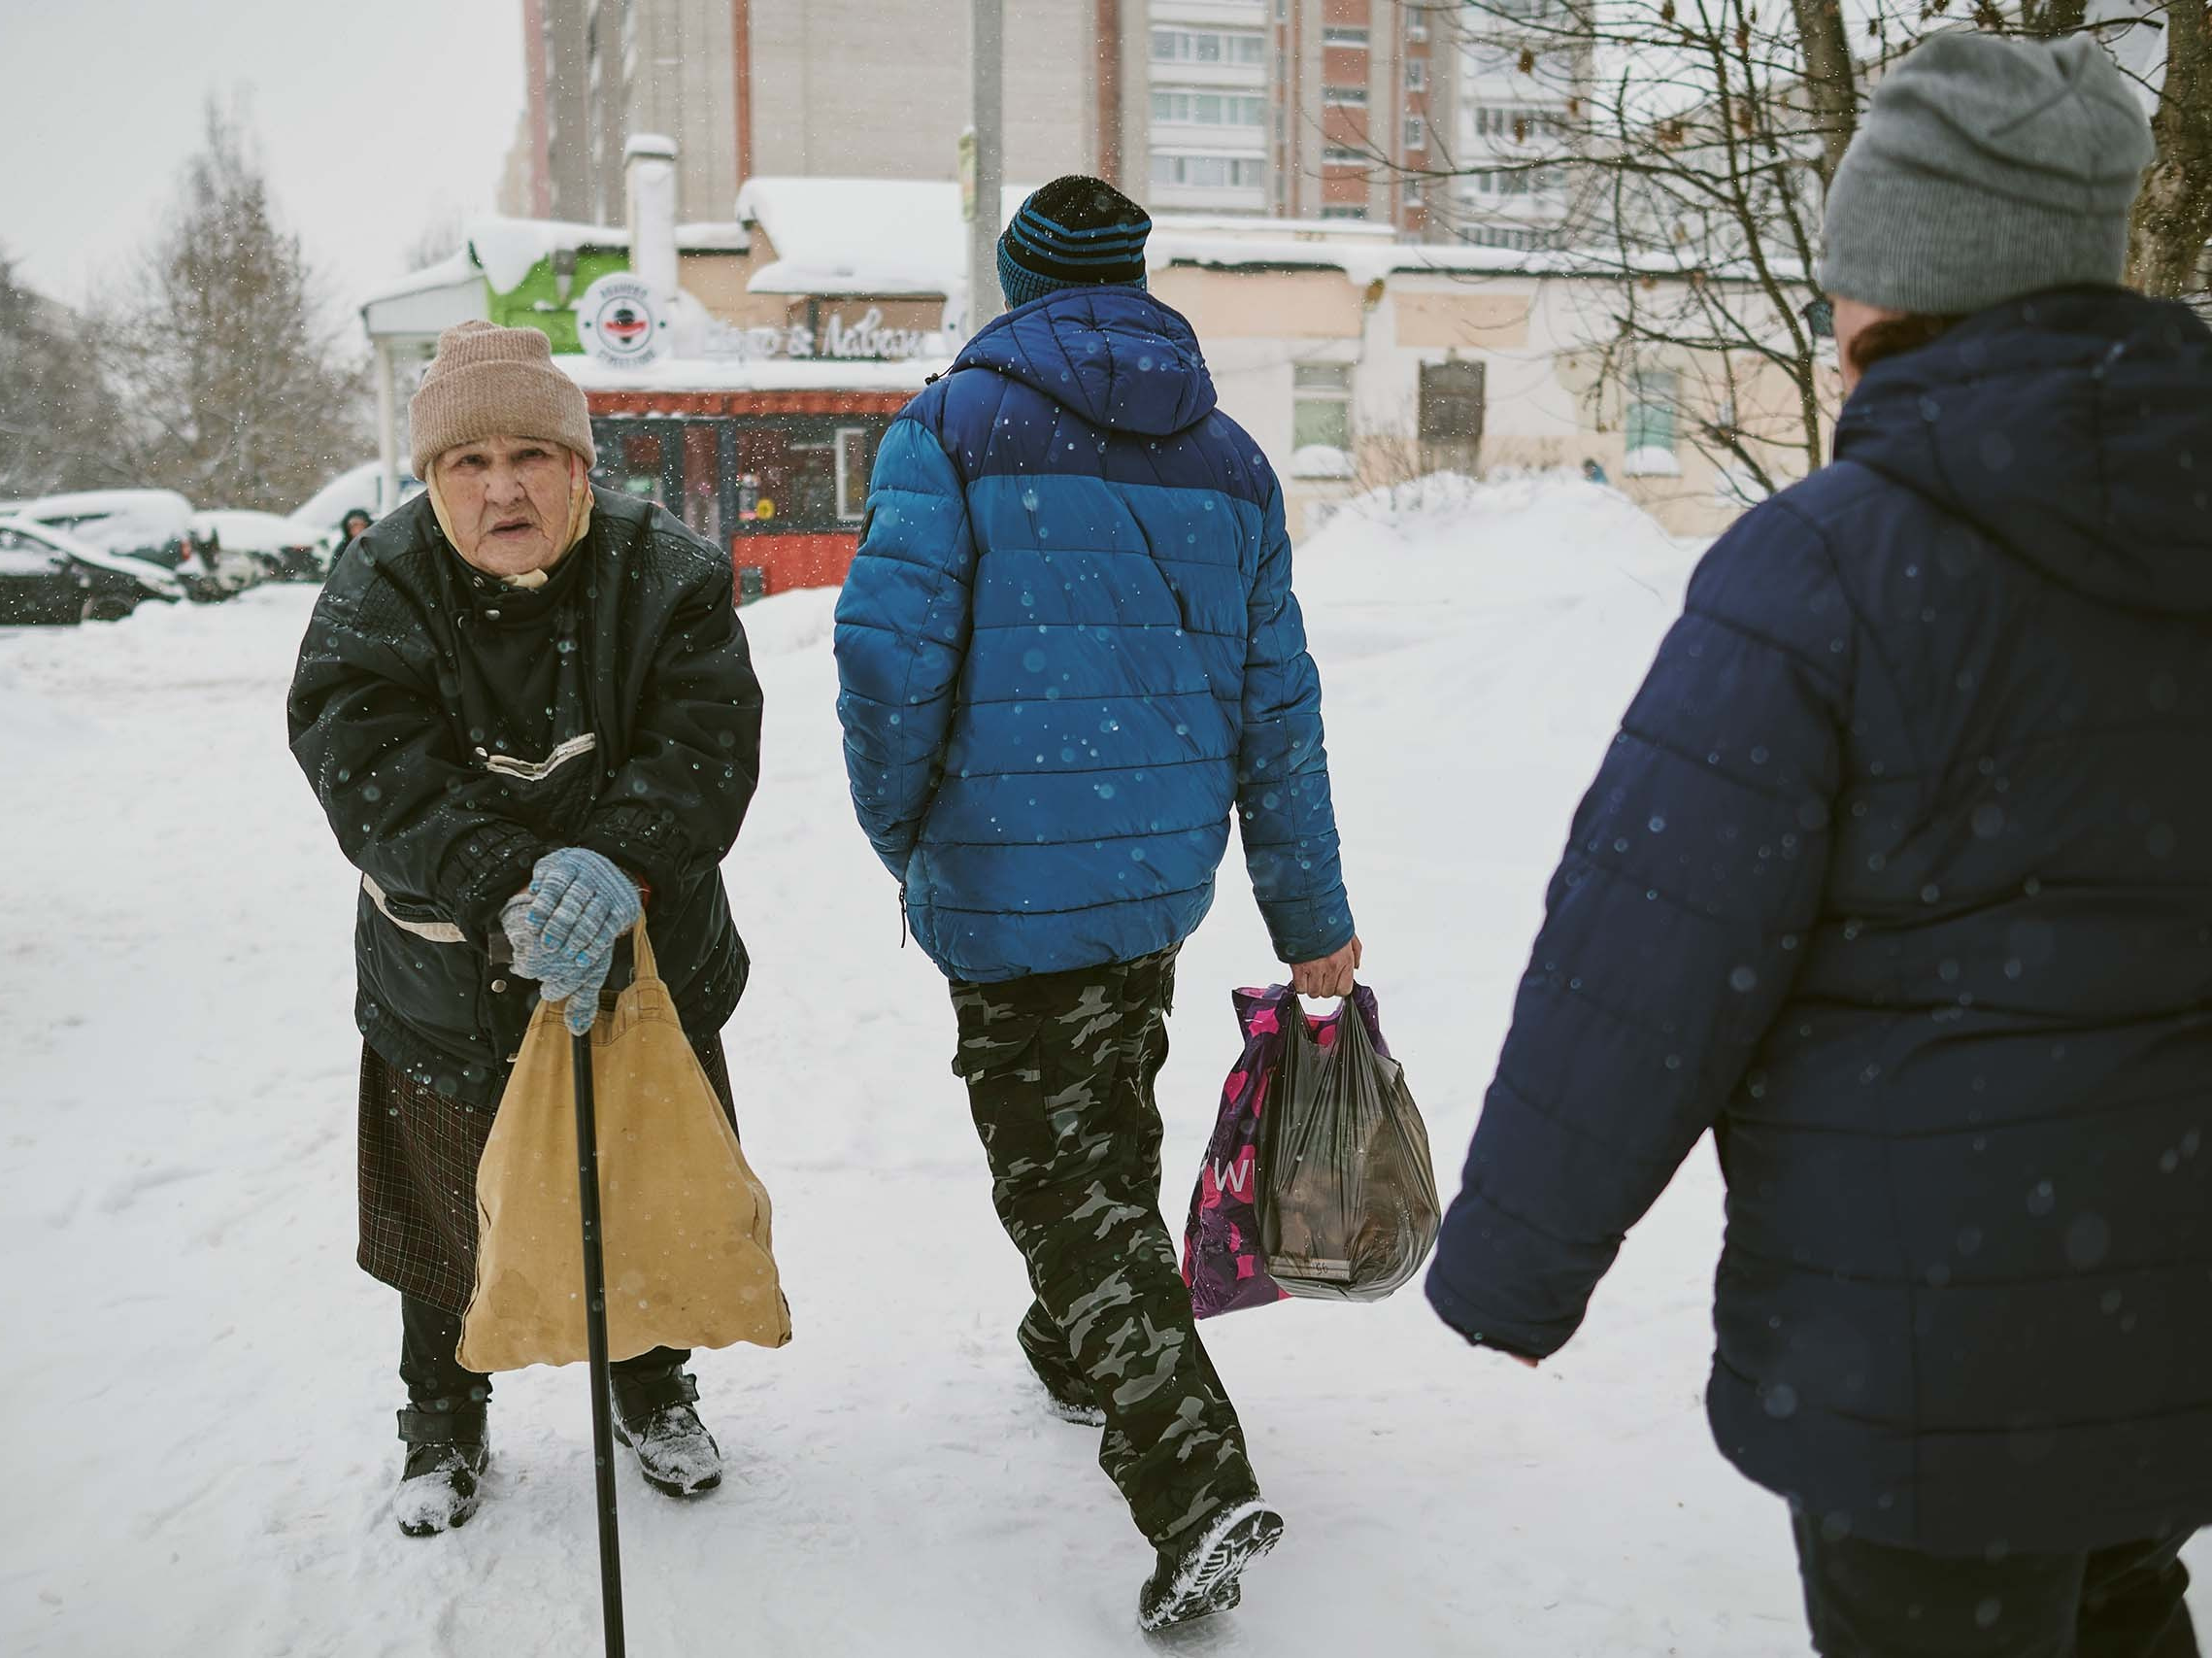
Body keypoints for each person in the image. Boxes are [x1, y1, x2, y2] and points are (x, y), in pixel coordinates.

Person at [1424, 34, 2209, 1657]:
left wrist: (1517, 1259)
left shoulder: (1829, 568)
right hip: (2176, 1293)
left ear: (1898, 280)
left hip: (1923, 1335)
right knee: (2126, 1592)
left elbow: (1646, 951)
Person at [833, 175, 1360, 1631]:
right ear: (1136, 274)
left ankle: (1192, 1482)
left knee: (1065, 1180)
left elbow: (885, 664)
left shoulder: (953, 427)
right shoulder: (1233, 458)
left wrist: (910, 829)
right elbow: (1280, 709)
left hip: (1009, 868)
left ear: (1018, 282)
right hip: (1151, 871)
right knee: (1102, 1115)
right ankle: (1073, 1344)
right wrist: (1308, 903)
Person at [287, 321, 764, 1537]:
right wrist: (502, 877)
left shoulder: (667, 573)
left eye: (530, 457)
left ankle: (650, 1385)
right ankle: (443, 1418)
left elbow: (704, 743)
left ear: (579, 468)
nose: (502, 487)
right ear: (430, 478)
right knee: (446, 1217)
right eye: (468, 462)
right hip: (445, 976)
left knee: (637, 1187)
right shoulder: (380, 581)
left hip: (641, 958)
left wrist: (618, 862)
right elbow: (364, 758)